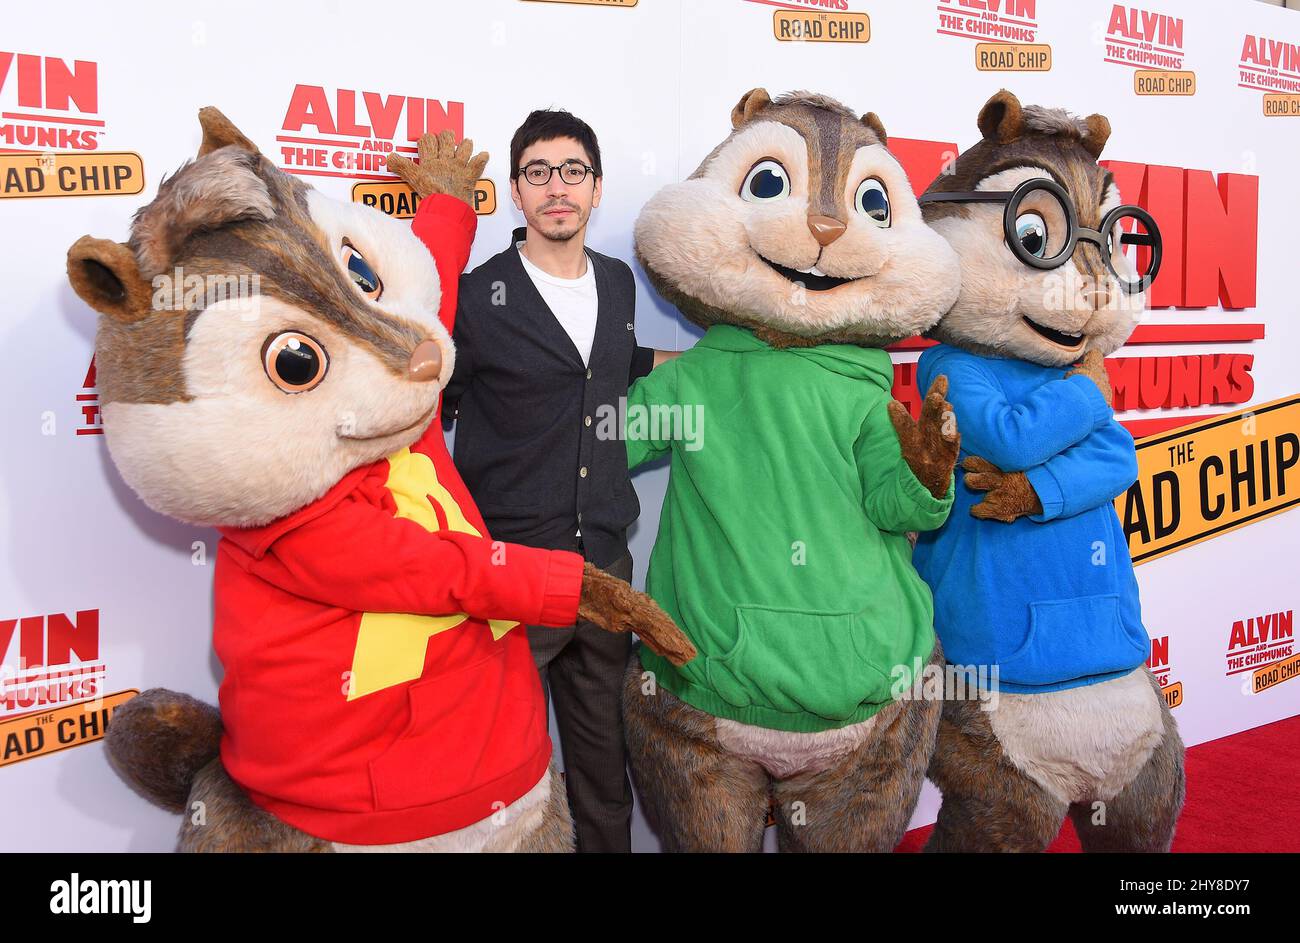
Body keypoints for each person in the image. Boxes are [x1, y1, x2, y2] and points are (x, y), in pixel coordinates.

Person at [407, 109, 678, 852]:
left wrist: (728, 365)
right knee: (496, 772)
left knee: (605, 771)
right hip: (510, 573)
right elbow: (423, 405)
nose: (557, 188)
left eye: (572, 172)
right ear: (517, 195)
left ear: (595, 189)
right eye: (538, 173)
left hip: (606, 569)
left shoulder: (619, 284)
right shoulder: (477, 296)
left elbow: (613, 365)